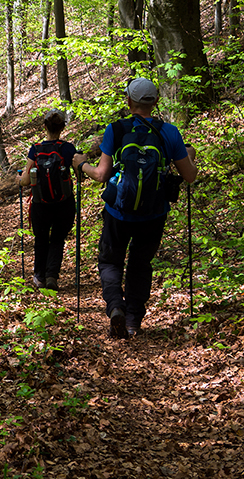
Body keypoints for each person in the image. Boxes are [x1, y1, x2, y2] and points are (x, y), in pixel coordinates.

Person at [73, 78, 197, 339]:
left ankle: (115, 306)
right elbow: (189, 176)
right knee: (141, 264)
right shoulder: (169, 132)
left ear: (129, 101)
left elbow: (101, 175)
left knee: (110, 260)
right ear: (156, 102)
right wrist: (190, 155)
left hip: (119, 210)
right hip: (154, 212)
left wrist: (81, 164)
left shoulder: (116, 130)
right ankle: (133, 322)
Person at [21, 109, 78, 291]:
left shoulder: (36, 149)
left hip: (40, 203)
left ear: (44, 126)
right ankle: (52, 275)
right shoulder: (67, 148)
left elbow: (25, 180)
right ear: (62, 127)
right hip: (64, 203)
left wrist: (18, 179)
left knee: (41, 239)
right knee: (58, 238)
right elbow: (79, 173)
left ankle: (39, 277)